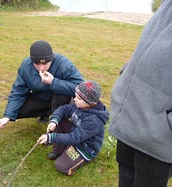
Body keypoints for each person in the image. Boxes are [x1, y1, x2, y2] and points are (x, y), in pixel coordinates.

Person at [108, 1, 172, 186]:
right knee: (126, 177)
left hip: (158, 136)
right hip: (129, 118)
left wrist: (165, 125)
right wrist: (126, 75)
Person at [0, 40, 84, 129]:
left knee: (60, 95)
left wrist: (53, 82)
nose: (41, 68)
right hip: (41, 98)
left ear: (51, 59)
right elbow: (18, 91)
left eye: (45, 64)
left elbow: (81, 88)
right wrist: (8, 116)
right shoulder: (26, 66)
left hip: (62, 99)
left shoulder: (63, 63)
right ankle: (46, 112)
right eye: (37, 64)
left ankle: (60, 126)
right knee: (17, 111)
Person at [37, 80, 109, 175]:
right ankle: (59, 149)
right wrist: (55, 120)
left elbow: (74, 138)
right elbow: (65, 109)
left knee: (60, 165)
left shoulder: (93, 121)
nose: (74, 99)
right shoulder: (81, 105)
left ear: (89, 102)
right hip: (75, 133)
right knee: (59, 121)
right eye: (75, 96)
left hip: (84, 147)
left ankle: (79, 157)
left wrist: (51, 137)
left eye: (78, 98)